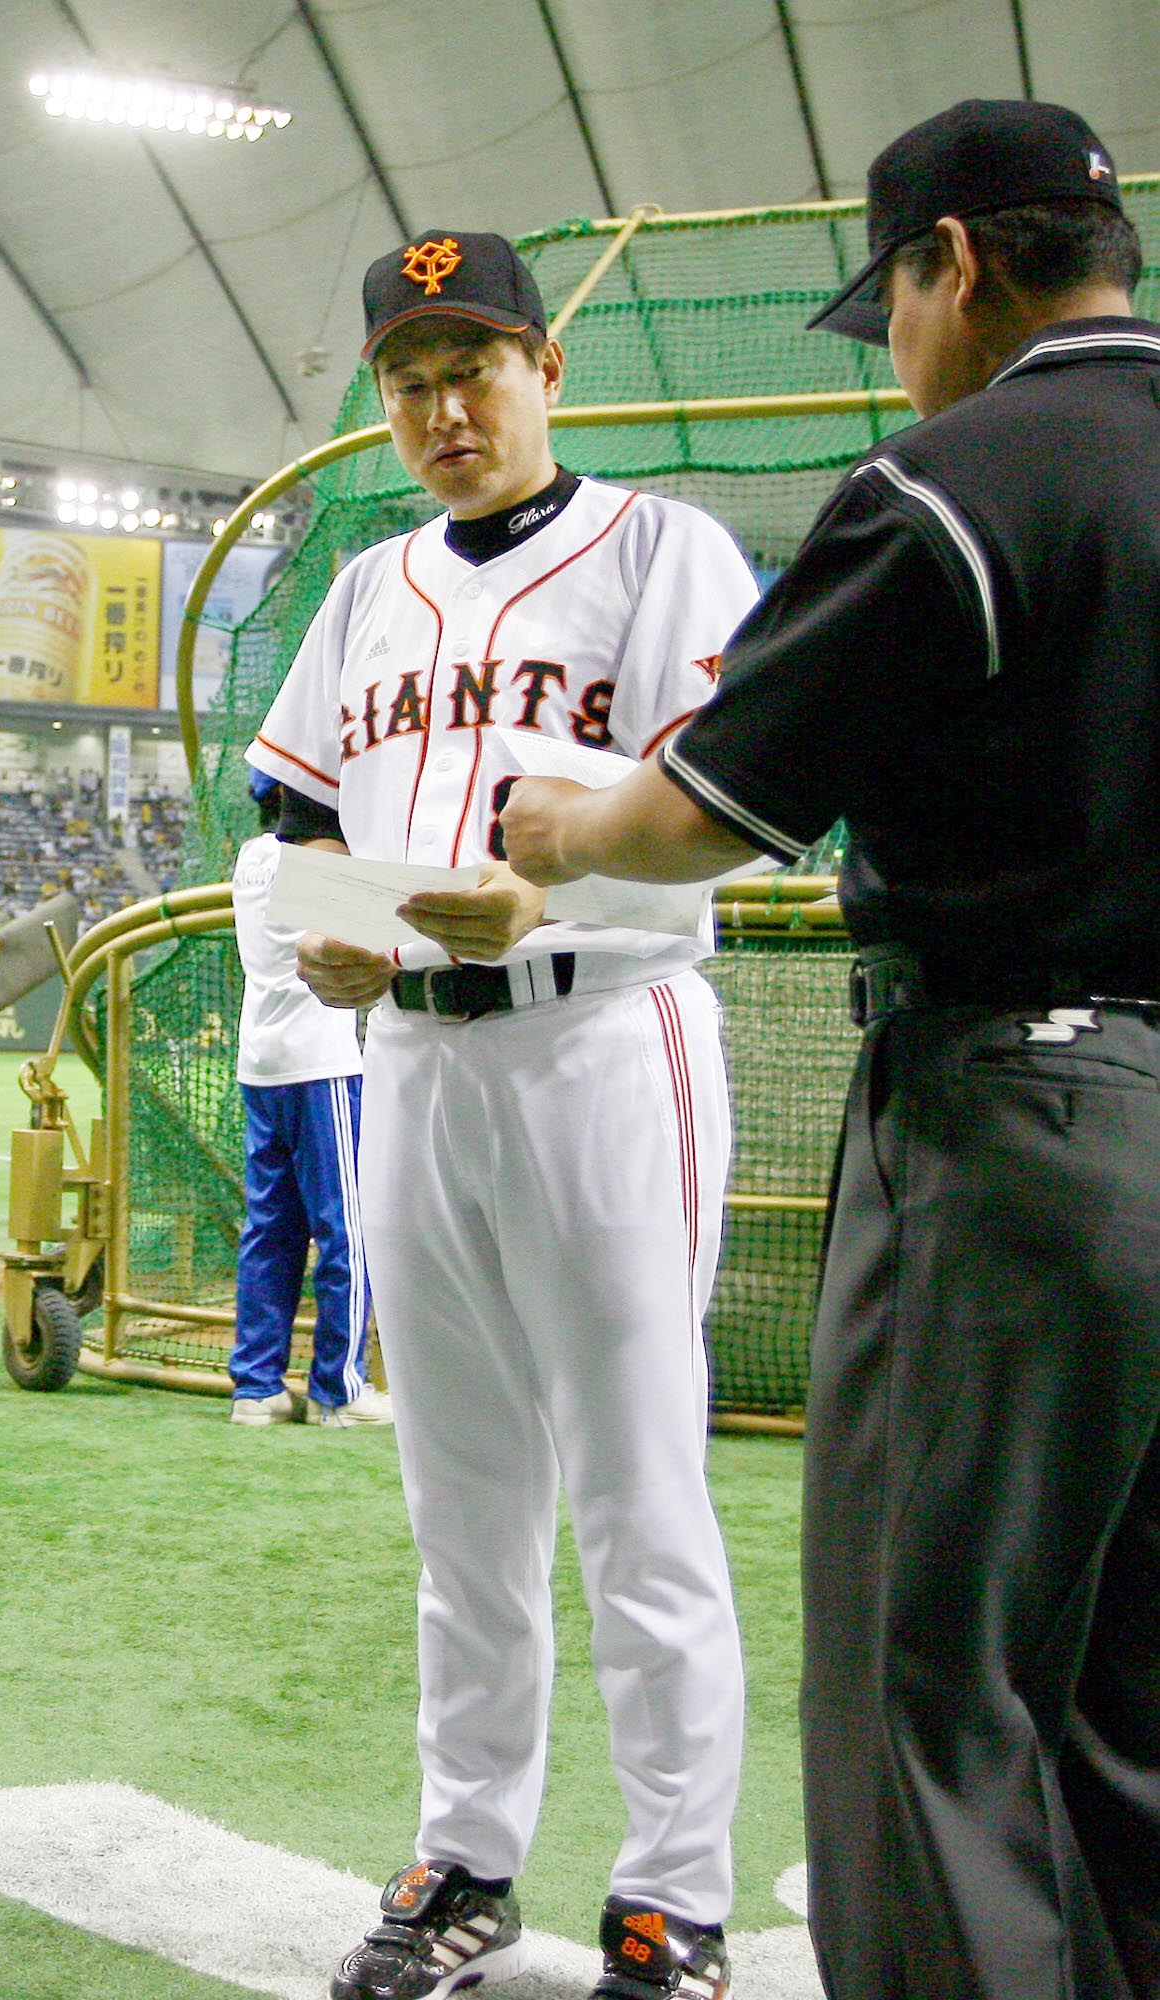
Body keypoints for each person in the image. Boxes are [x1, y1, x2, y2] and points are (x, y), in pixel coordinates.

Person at [499, 98, 1160, 2000]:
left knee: (926, 1692)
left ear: (952, 261)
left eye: (890, 300)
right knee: (1124, 1701)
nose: (891, 342)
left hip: (1026, 1126)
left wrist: (564, 819)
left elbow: (706, 811)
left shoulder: (959, 476)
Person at [248, 231, 755, 2000]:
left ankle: (671, 1895)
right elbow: (296, 819)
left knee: (633, 1494)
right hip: (416, 1060)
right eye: (406, 380)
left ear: (548, 372)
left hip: (604, 1042)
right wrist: (327, 936)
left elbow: (726, 813)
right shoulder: (364, 588)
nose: (439, 408)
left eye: (472, 369)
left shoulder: (665, 551)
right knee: (459, 1507)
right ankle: (464, 1857)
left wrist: (560, 898)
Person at [228, 769, 388, 1429]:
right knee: (345, 1226)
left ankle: (256, 1387)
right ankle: (337, 1388)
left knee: (271, 1229)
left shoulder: (250, 859)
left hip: (261, 1059)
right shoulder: (310, 859)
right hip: (319, 1062)